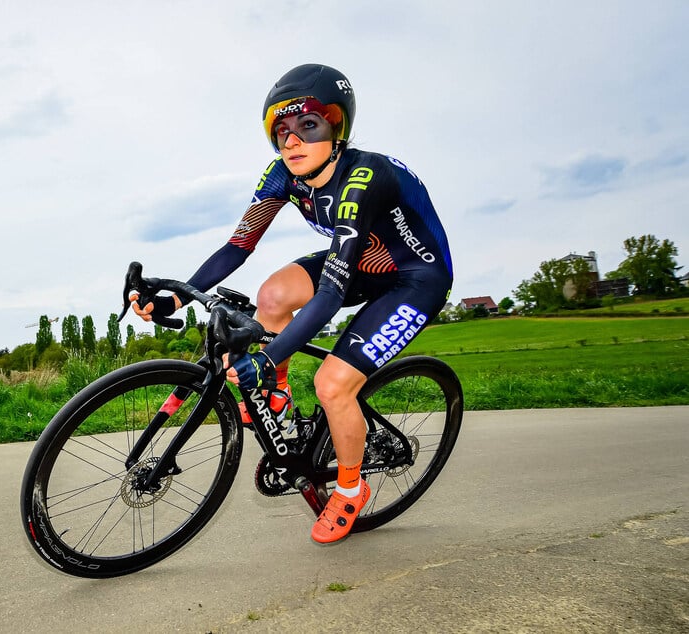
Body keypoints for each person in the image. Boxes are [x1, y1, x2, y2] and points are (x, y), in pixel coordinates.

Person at [132, 63, 453, 544]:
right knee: (272, 295)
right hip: (364, 258)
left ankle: (349, 489)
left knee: (332, 384)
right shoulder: (282, 174)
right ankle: (276, 394)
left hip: (414, 278)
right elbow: (239, 245)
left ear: (337, 128)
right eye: (281, 132)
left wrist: (268, 355)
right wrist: (176, 294)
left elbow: (331, 293)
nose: (292, 141)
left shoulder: (361, 178)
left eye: (308, 126)